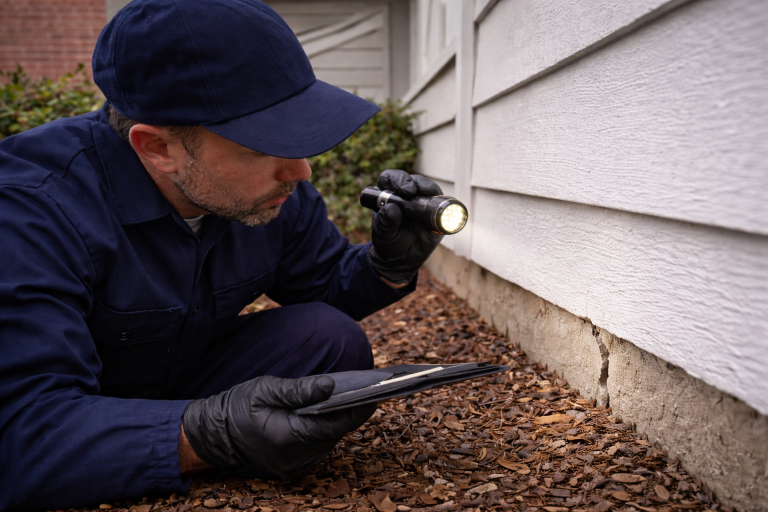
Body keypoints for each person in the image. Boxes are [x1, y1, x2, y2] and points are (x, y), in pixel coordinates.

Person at [0, 0, 445, 509]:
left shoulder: (269, 191)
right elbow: (20, 429)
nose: (301, 172)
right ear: (157, 148)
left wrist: (387, 265)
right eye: (264, 144)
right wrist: (204, 437)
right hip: (72, 408)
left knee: (329, 338)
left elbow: (323, 286)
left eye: (299, 134)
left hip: (181, 378)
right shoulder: (31, 210)